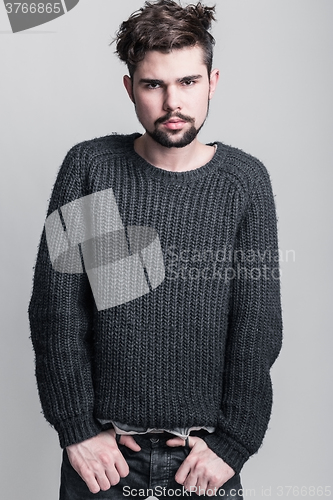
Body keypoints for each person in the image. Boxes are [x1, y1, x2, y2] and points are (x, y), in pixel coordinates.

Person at [28, 1, 283, 498]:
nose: (173, 103)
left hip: (202, 462)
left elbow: (257, 324)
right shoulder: (93, 169)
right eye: (153, 85)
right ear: (130, 88)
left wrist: (235, 443)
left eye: (188, 82)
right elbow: (57, 312)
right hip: (106, 463)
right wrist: (76, 429)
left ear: (212, 81)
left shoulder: (243, 182)